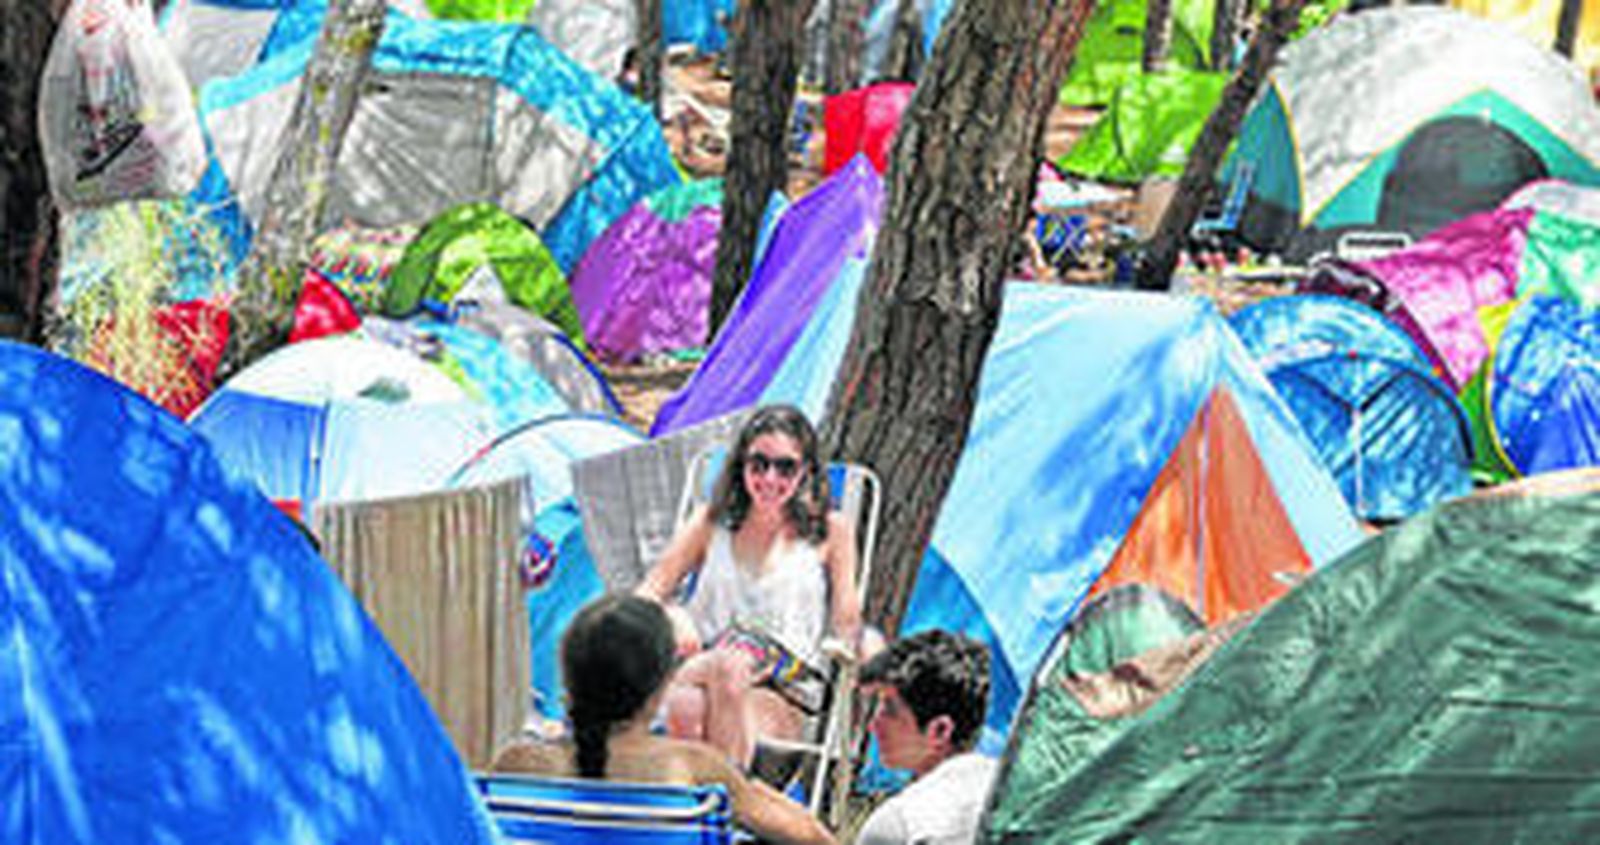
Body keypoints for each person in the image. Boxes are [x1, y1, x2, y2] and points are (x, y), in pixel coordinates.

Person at [492, 594, 836, 845]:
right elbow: (811, 837)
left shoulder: (517, 764)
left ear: (567, 680)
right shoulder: (692, 767)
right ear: (659, 689)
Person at [637, 404, 862, 769]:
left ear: (806, 471)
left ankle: (710, 792)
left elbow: (847, 622)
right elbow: (648, 592)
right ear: (741, 464)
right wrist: (672, 614)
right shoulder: (710, 522)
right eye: (759, 464)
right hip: (702, 668)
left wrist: (856, 652)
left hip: (779, 692)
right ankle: (724, 797)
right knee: (701, 691)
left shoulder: (832, 531)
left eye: (786, 467)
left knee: (707, 690)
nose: (770, 479)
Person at [855, 629, 997, 845]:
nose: (873, 726)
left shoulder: (899, 825)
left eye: (890, 710)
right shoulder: (1018, 795)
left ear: (940, 730)